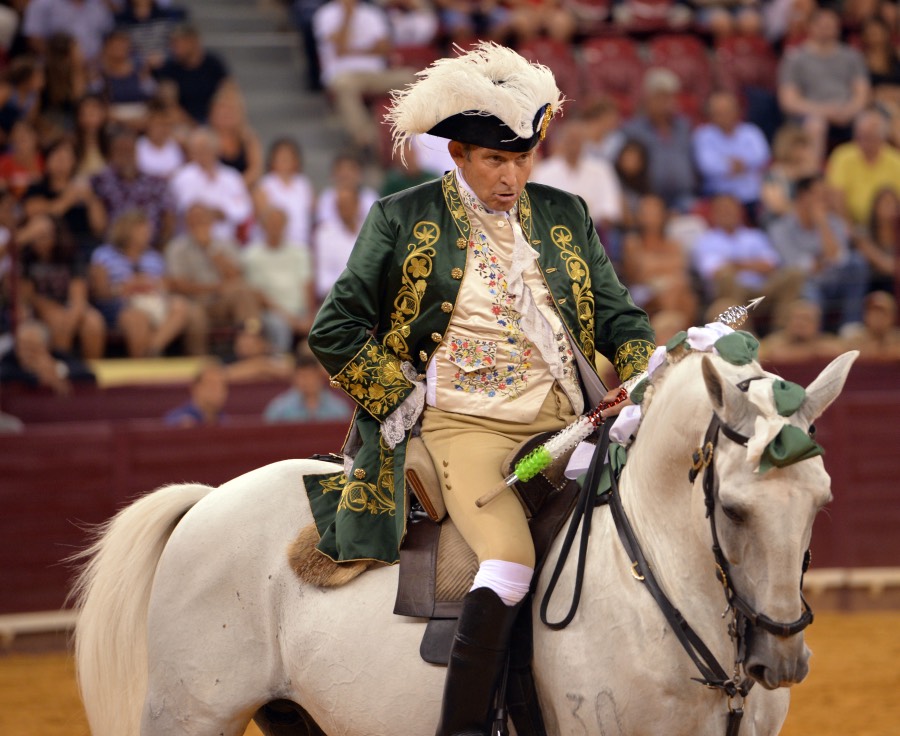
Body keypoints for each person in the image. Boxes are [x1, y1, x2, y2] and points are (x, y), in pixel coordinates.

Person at [306, 43, 655, 736]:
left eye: (522, 158)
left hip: (568, 424)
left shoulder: (565, 214)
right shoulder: (401, 218)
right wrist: (393, 394)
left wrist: (644, 373)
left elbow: (619, 317)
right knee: (511, 558)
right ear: (458, 156)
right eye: (496, 160)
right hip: (461, 429)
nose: (512, 175)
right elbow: (335, 327)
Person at [767, 175, 868, 332]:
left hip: (835, 280)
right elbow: (796, 266)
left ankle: (851, 326)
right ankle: (814, 336)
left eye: (825, 195)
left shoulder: (834, 222)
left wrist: (821, 222)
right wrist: (822, 261)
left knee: (856, 263)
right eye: (819, 194)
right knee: (807, 287)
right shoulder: (780, 228)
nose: (825, 200)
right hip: (806, 283)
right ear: (802, 196)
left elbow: (838, 259)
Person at [311, 0, 414, 153]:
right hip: (344, 74)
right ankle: (365, 140)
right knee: (344, 86)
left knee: (412, 77)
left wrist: (353, 51)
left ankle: (414, 135)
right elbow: (339, 47)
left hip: (376, 73)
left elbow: (385, 47)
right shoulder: (325, 14)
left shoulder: (371, 13)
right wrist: (347, 16)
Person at [692, 193, 805, 332]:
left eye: (731, 209)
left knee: (794, 274)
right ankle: (746, 337)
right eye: (723, 210)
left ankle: (781, 331)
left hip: (763, 289)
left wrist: (736, 264)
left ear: (740, 212)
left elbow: (771, 264)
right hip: (733, 291)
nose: (728, 213)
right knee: (726, 278)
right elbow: (715, 271)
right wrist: (753, 264)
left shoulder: (755, 236)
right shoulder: (707, 240)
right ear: (714, 214)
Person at [777, 6, 870, 167]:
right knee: (816, 125)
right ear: (810, 27)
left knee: (869, 123)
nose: (826, 29)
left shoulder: (852, 56)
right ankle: (812, 176)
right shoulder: (794, 58)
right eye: (822, 25)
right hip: (812, 113)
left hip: (847, 112)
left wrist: (849, 110)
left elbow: (862, 94)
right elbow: (789, 101)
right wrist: (824, 111)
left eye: (831, 25)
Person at [17, 213, 107, 359]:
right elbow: (29, 297)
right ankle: (63, 365)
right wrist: (54, 313)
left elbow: (78, 295)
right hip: (41, 307)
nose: (43, 239)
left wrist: (71, 316)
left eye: (47, 234)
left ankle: (91, 372)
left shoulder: (69, 254)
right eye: (38, 235)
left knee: (94, 322)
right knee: (56, 320)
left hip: (70, 304)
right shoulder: (24, 258)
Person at [242, 206, 316, 354]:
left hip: (300, 311)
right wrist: (290, 319)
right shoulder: (251, 255)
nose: (275, 227)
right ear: (263, 226)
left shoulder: (300, 252)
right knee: (278, 325)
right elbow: (259, 296)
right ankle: (280, 360)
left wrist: (310, 315)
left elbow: (308, 285)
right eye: (271, 223)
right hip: (271, 312)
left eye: (279, 223)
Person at [622, 67, 696, 212]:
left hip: (684, 198)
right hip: (649, 199)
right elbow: (626, 170)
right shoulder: (633, 130)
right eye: (661, 97)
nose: (667, 103)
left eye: (671, 97)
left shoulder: (683, 127)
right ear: (648, 98)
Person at [692, 90, 771, 220]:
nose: (724, 116)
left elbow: (762, 156)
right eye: (719, 112)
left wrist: (737, 163)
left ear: (737, 111)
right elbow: (707, 165)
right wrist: (737, 165)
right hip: (718, 197)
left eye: (728, 111)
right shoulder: (703, 135)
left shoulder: (751, 132)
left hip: (753, 197)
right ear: (710, 115)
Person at [91, 125, 175, 247]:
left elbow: (169, 216)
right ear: (110, 154)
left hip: (151, 248)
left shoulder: (156, 182)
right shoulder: (99, 181)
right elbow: (98, 225)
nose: (126, 155)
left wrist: (161, 245)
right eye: (121, 150)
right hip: (115, 248)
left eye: (130, 149)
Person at [168, 126, 253, 244]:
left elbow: (243, 210)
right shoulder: (182, 178)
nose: (203, 153)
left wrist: (223, 212)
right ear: (192, 151)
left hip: (225, 241)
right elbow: (180, 210)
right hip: (192, 243)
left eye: (207, 148)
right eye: (199, 149)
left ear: (217, 149)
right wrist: (206, 214)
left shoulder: (232, 177)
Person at [825, 107, 900, 227]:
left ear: (882, 138)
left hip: (887, 228)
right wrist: (849, 229)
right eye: (860, 137)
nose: (863, 142)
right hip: (851, 225)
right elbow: (836, 197)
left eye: (869, 137)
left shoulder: (896, 161)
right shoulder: (842, 156)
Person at [154, 22, 231, 125]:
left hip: (214, 120)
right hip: (183, 124)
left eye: (179, 43)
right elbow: (170, 106)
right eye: (172, 43)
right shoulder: (169, 69)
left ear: (193, 41)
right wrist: (195, 126)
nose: (174, 48)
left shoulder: (214, 63)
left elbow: (229, 90)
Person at [263, 342, 352, 423]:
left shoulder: (338, 408)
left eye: (311, 376)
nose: (307, 381)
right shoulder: (279, 409)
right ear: (294, 379)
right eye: (302, 376)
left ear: (319, 377)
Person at [253, 137, 315, 249]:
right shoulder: (265, 184)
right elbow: (262, 216)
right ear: (272, 160)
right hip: (275, 245)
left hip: (301, 243)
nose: (285, 159)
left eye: (289, 156)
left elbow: (310, 213)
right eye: (280, 156)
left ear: (296, 160)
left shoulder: (303, 183)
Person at [312, 184, 362, 301]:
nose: (345, 209)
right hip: (337, 300)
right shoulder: (324, 233)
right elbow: (323, 280)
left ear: (358, 204)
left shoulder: (370, 230)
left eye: (348, 204)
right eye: (341, 205)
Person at [758, 298, 846, 363]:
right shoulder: (772, 343)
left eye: (806, 319)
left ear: (818, 324)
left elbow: (843, 354)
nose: (801, 324)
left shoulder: (828, 342)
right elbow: (759, 357)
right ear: (786, 322)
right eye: (797, 319)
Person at [163, 358, 229, 427]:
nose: (217, 391)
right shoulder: (177, 421)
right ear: (195, 388)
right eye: (212, 385)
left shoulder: (226, 421)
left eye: (222, 386)